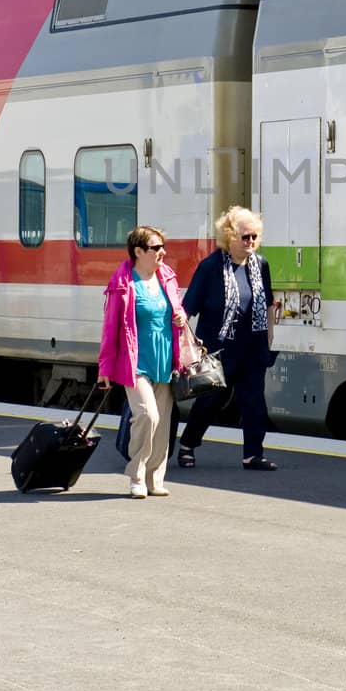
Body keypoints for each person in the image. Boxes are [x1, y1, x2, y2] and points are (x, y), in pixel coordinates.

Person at [178, 206, 277, 471]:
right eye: (245, 237)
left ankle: (253, 454)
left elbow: (267, 303)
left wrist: (269, 339)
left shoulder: (261, 265)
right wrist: (188, 347)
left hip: (253, 348)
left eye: (255, 236)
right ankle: (188, 444)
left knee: (255, 402)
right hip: (218, 350)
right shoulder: (210, 268)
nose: (251, 242)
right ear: (229, 237)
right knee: (210, 402)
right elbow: (187, 309)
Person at [97, 225, 187, 499]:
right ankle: (136, 475)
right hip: (135, 362)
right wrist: (104, 368)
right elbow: (110, 328)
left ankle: (154, 479)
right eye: (156, 248)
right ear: (138, 251)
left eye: (163, 247)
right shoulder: (123, 283)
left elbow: (176, 309)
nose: (163, 252)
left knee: (163, 425)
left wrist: (181, 317)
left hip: (166, 360)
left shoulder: (167, 277)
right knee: (148, 415)